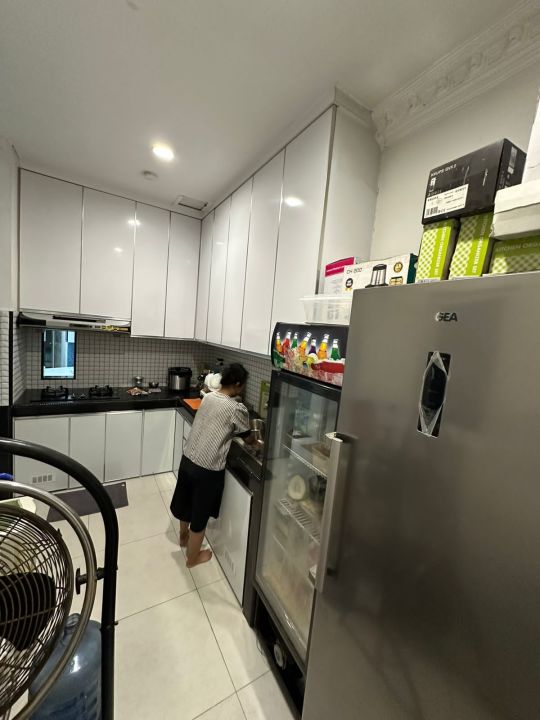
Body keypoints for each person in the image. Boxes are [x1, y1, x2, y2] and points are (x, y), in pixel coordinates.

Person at [170, 363, 250, 568]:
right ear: (238, 384)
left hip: (188, 459)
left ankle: (183, 537)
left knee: (185, 503)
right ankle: (192, 558)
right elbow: (247, 435)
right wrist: (256, 443)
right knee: (200, 514)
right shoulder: (235, 408)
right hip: (207, 469)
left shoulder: (208, 397)